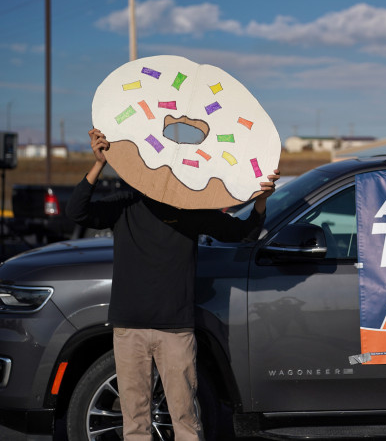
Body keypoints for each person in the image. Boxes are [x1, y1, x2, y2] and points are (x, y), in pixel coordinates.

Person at [66, 128, 280, 440]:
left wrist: (260, 201)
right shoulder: (126, 203)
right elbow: (77, 212)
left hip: (176, 331)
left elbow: (243, 234)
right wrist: (99, 164)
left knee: (185, 420)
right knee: (135, 424)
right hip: (130, 329)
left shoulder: (191, 209)